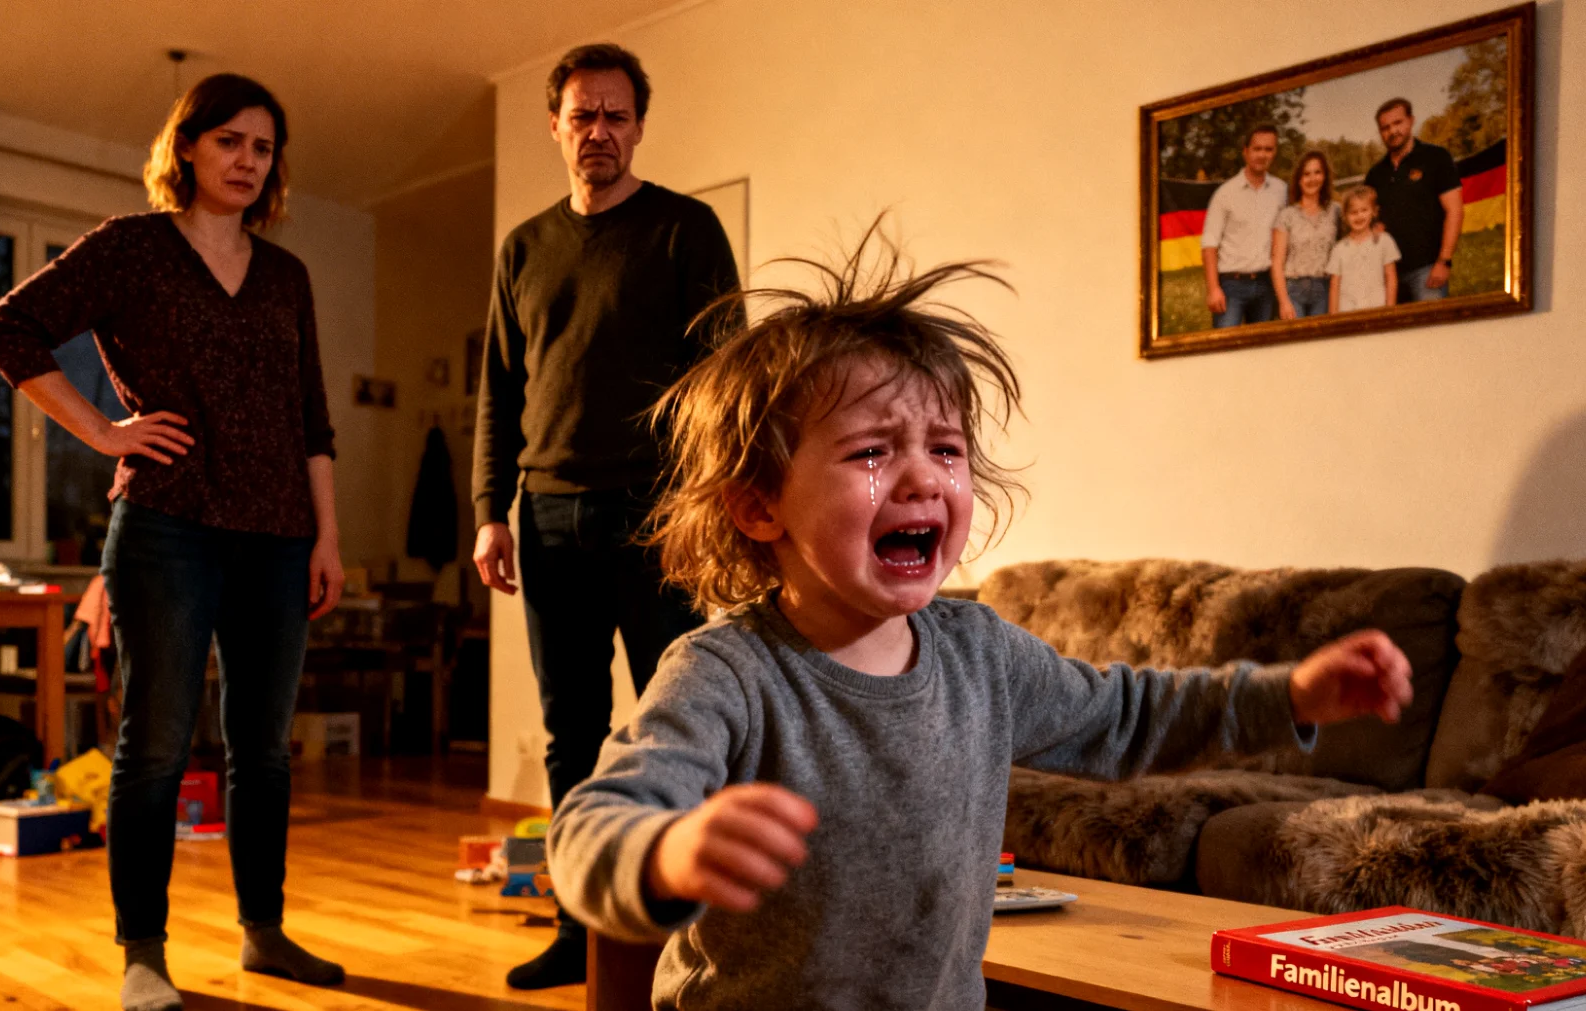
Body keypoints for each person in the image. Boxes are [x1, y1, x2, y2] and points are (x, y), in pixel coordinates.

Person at [547, 229, 1416, 1010]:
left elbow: (1129, 714)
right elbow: (591, 825)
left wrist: (1289, 696)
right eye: (873, 450)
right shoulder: (725, 674)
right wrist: (663, 854)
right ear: (758, 506)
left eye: (947, 448)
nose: (925, 476)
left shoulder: (981, 653)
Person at [0, 74, 346, 1011]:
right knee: (154, 744)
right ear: (187, 147)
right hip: (166, 527)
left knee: (262, 749)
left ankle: (263, 933)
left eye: (262, 148)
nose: (246, 161)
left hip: (278, 535)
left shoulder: (287, 275)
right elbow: (6, 329)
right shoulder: (132, 249)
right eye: (229, 141)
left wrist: (328, 536)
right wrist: (103, 432)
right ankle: (144, 952)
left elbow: (312, 417)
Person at [469, 43, 742, 989]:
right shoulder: (523, 249)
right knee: (569, 729)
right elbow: (500, 391)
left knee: (679, 720)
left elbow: (725, 380)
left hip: (658, 516)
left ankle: (686, 933)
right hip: (544, 517)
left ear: (639, 125)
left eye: (616, 116)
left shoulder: (686, 230)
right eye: (582, 116)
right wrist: (488, 511)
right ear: (555, 126)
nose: (599, 133)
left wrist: (707, 506)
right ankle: (577, 925)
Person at [1363, 98, 1463, 303]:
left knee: (1432, 333)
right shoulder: (1375, 174)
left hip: (1427, 270)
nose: (1392, 131)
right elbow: (1368, 220)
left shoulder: (1436, 157)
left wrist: (1444, 261)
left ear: (1411, 121)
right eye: (1385, 127)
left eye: (1398, 123)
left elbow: (1455, 211)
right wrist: (1374, 228)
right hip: (1388, 274)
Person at [1201, 124, 1288, 327]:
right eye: (1257, 149)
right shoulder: (1225, 193)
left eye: (1268, 149)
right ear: (1245, 151)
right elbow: (1209, 245)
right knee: (1224, 349)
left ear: (1274, 152)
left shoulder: (1281, 190)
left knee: (1262, 352)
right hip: (1232, 284)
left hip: (1266, 284)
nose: (1262, 155)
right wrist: (1214, 289)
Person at [1270, 150, 1340, 319]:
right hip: (1294, 289)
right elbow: (1277, 262)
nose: (1312, 179)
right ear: (1299, 179)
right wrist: (1284, 301)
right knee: (1297, 342)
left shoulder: (1335, 211)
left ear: (1325, 176)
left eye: (1317, 172)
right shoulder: (1287, 215)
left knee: (1321, 343)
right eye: (1306, 174)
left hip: (1324, 288)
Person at [1327, 186, 1401, 313]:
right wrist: (1333, 317)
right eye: (1353, 212)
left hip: (1377, 309)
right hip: (1347, 312)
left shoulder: (1384, 241)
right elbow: (1334, 287)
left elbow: (1391, 278)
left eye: (1364, 210)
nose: (1359, 216)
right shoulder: (1339, 249)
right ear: (1345, 216)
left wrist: (1390, 310)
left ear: (1374, 212)